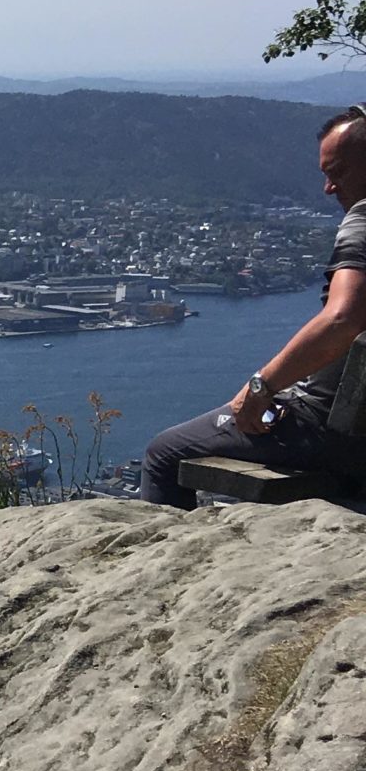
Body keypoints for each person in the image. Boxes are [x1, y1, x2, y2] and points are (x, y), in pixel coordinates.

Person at [139, 106, 366, 507]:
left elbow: (343, 318)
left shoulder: (362, 219)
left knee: (163, 454)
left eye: (338, 172)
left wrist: (262, 387)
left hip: (331, 432)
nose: (329, 188)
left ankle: (159, 564)